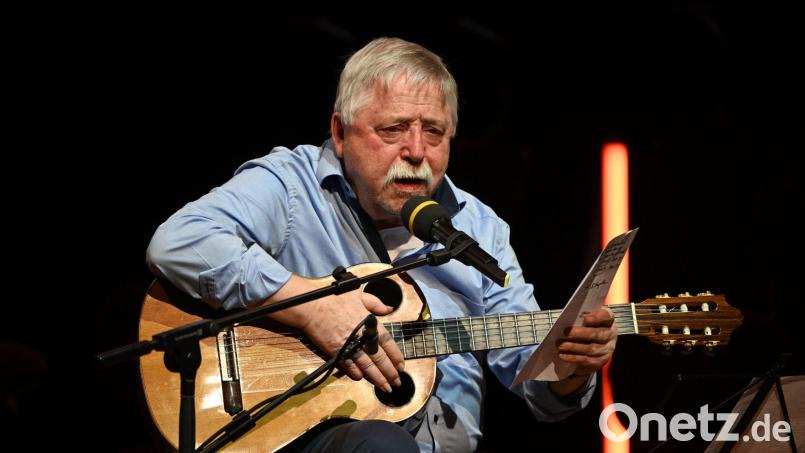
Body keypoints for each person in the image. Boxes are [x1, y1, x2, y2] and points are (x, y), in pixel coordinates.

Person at [146, 37, 617, 452]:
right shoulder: (292, 186)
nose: (416, 151)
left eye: (433, 132)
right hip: (299, 435)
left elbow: (536, 385)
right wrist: (312, 310)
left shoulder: (479, 227)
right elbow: (180, 242)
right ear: (340, 133)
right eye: (393, 130)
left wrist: (573, 365)